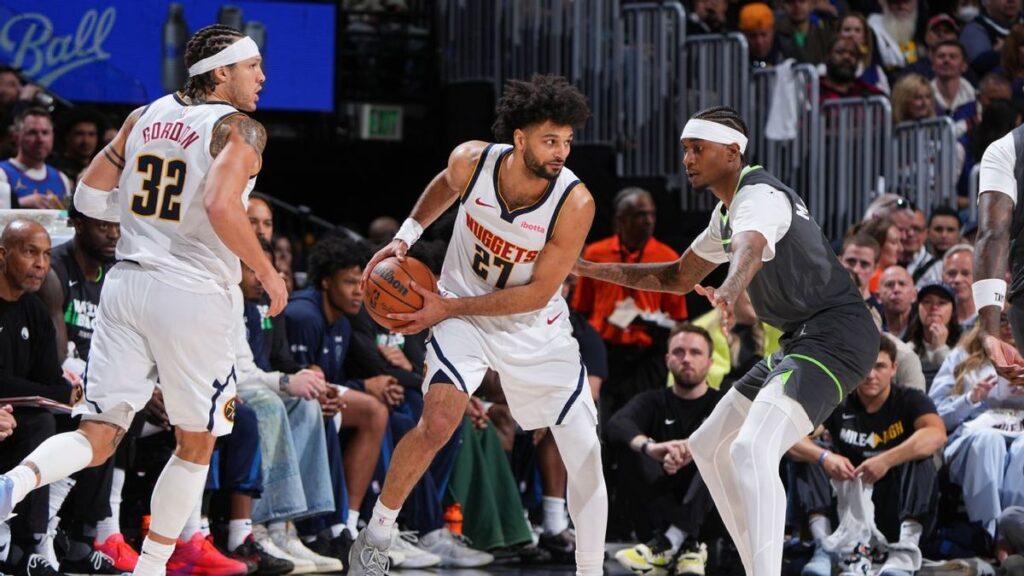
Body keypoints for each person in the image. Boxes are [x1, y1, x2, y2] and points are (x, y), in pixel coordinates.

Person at [0, 24, 287, 576]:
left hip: (127, 284)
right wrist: (266, 271)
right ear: (222, 72)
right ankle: (152, 567)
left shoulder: (143, 116)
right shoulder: (240, 129)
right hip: (192, 293)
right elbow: (221, 205)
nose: (262, 77)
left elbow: (87, 196)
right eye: (253, 66)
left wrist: (142, 218)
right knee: (197, 440)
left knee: (99, 433)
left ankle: (12, 483)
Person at [574, 105, 878, 576]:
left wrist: (731, 289)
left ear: (733, 153)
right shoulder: (727, 212)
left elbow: (749, 248)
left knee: (750, 449)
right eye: (685, 150)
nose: (687, 159)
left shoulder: (759, 197)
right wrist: (587, 268)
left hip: (836, 335)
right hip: (800, 341)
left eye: (698, 149)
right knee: (708, 444)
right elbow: (678, 276)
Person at [348, 74, 605, 576]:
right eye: (551, 140)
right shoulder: (473, 160)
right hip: (461, 311)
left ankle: (590, 569)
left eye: (567, 141)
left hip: (533, 326)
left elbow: (537, 293)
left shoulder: (575, 203)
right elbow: (446, 184)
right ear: (520, 139)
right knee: (438, 422)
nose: (561, 152)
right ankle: (376, 535)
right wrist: (406, 236)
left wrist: (448, 309)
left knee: (585, 452)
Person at [790, 336, 945, 576]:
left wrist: (886, 460)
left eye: (880, 366)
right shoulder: (839, 401)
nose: (871, 375)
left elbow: (936, 434)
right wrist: (824, 457)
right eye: (865, 367)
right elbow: (791, 437)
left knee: (921, 458)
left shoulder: (910, 400)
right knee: (810, 455)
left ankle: (906, 551)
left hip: (894, 503)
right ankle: (824, 548)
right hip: (848, 502)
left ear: (893, 369)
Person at [608, 324, 722, 576]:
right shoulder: (653, 400)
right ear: (667, 359)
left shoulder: (721, 403)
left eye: (695, 352)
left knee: (722, 452)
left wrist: (693, 448)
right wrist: (651, 447)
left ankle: (670, 542)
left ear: (710, 362)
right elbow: (617, 424)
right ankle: (682, 546)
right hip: (657, 509)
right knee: (632, 447)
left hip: (708, 513)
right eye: (679, 352)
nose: (686, 359)